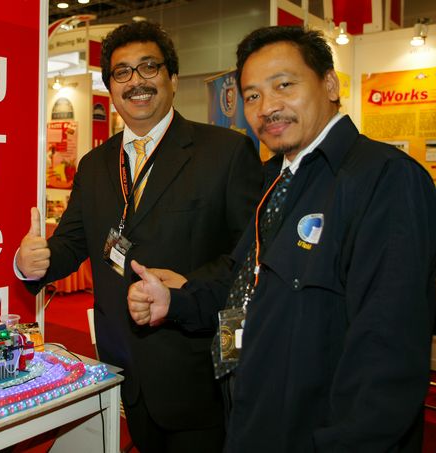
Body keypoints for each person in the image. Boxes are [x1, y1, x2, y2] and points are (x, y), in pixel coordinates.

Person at [127, 25, 436, 452]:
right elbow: (244, 281)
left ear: (329, 84)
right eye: (252, 95)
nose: (268, 107)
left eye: (284, 85)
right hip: (255, 418)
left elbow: (387, 355)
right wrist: (176, 302)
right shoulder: (276, 178)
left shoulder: (384, 179)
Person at [16, 21, 262, 453]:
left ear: (172, 77)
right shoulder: (95, 165)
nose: (136, 82)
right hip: (123, 368)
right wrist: (31, 263)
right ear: (110, 86)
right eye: (122, 72)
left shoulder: (225, 152)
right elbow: (71, 244)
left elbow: (248, 259)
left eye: (149, 67)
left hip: (196, 373)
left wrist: (184, 293)